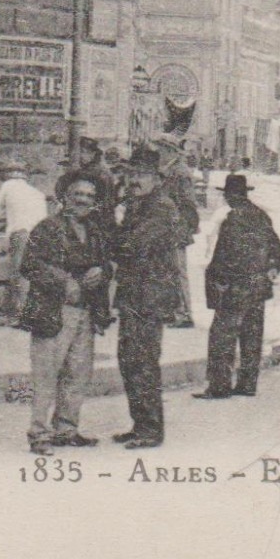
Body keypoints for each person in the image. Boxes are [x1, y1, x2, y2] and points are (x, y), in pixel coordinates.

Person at [19, 172, 114, 454]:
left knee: (78, 374)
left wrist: (103, 271)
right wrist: (64, 281)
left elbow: (107, 263)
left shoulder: (95, 231)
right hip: (54, 311)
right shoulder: (47, 228)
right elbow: (30, 264)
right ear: (65, 198)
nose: (84, 200)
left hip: (85, 312)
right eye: (78, 194)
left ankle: (66, 429)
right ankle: (39, 434)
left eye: (89, 196)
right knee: (47, 374)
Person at [112, 147, 188, 449]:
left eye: (141, 175)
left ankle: (150, 429)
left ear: (156, 178)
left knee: (143, 361)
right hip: (135, 294)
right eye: (131, 174)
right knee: (129, 359)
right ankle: (140, 423)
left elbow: (133, 246)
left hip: (151, 297)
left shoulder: (161, 207)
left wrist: (116, 234)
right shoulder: (137, 205)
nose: (134, 180)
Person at [194, 175, 280, 400]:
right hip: (258, 286)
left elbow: (224, 256)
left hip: (235, 286)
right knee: (251, 335)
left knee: (222, 337)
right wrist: (272, 267)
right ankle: (247, 384)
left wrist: (216, 280)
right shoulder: (261, 215)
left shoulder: (233, 219)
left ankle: (219, 386)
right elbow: (276, 246)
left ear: (229, 195)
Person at [153, 134, 200, 328]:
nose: (158, 153)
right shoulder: (168, 170)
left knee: (178, 271)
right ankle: (173, 311)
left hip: (176, 229)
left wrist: (182, 229)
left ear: (170, 151)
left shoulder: (180, 172)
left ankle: (185, 314)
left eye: (161, 149)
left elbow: (189, 205)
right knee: (166, 271)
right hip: (166, 229)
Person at [0, 158, 48, 317]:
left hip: (20, 233)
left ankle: (20, 313)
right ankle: (17, 310)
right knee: (33, 273)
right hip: (39, 235)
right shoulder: (38, 193)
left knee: (18, 273)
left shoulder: (8, 186)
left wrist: (8, 212)